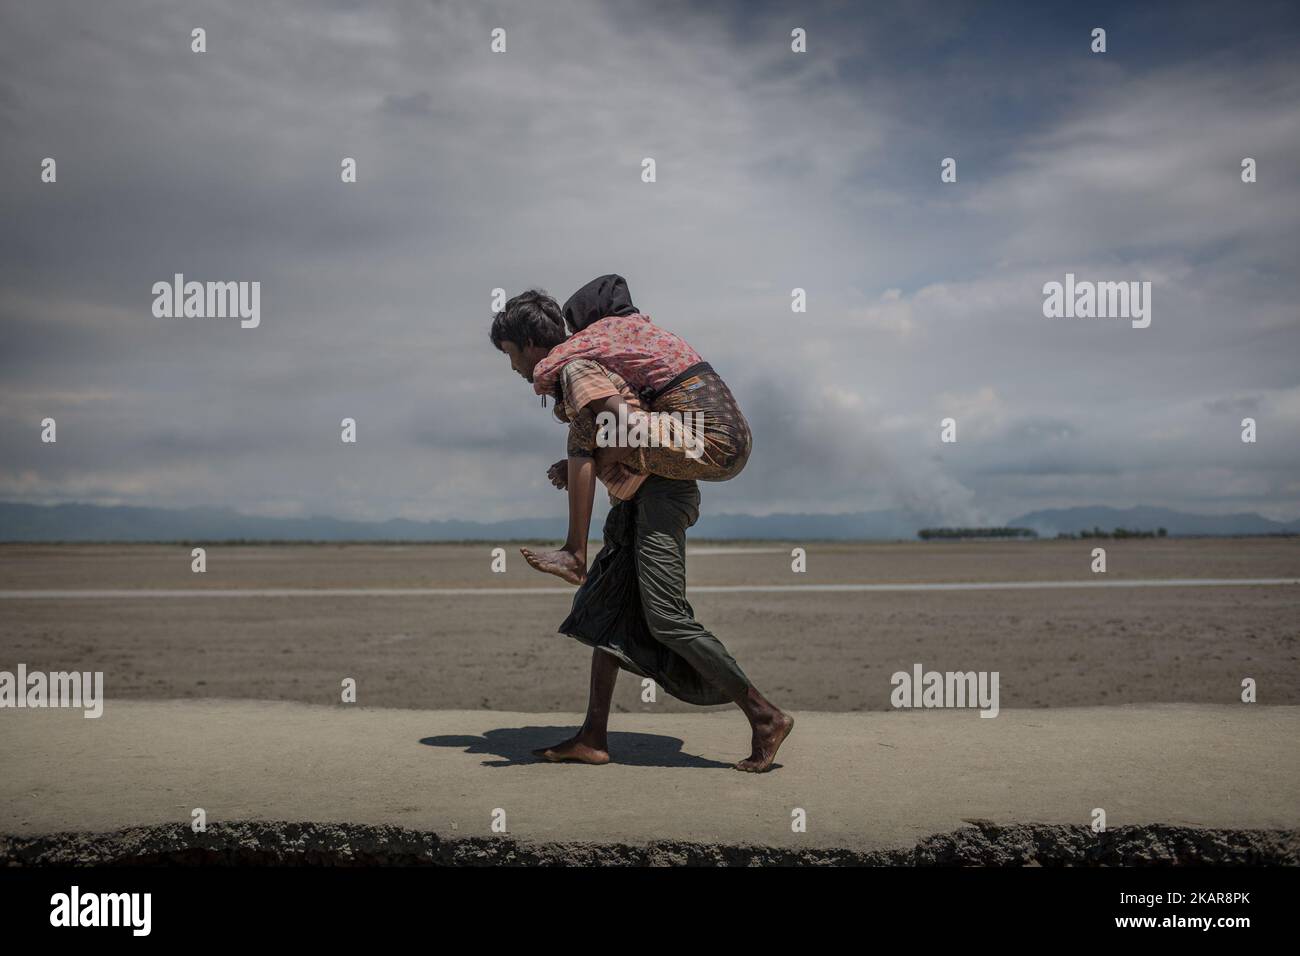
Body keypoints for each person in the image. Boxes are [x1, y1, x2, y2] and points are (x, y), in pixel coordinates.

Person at [489, 287, 794, 772]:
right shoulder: (595, 362)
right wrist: (582, 463)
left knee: (666, 617)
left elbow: (626, 429)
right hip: (640, 495)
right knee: (606, 611)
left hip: (660, 494)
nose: (511, 368)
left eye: (509, 355)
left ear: (528, 342)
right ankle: (592, 737)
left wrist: (583, 460)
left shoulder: (576, 368)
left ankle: (764, 716)